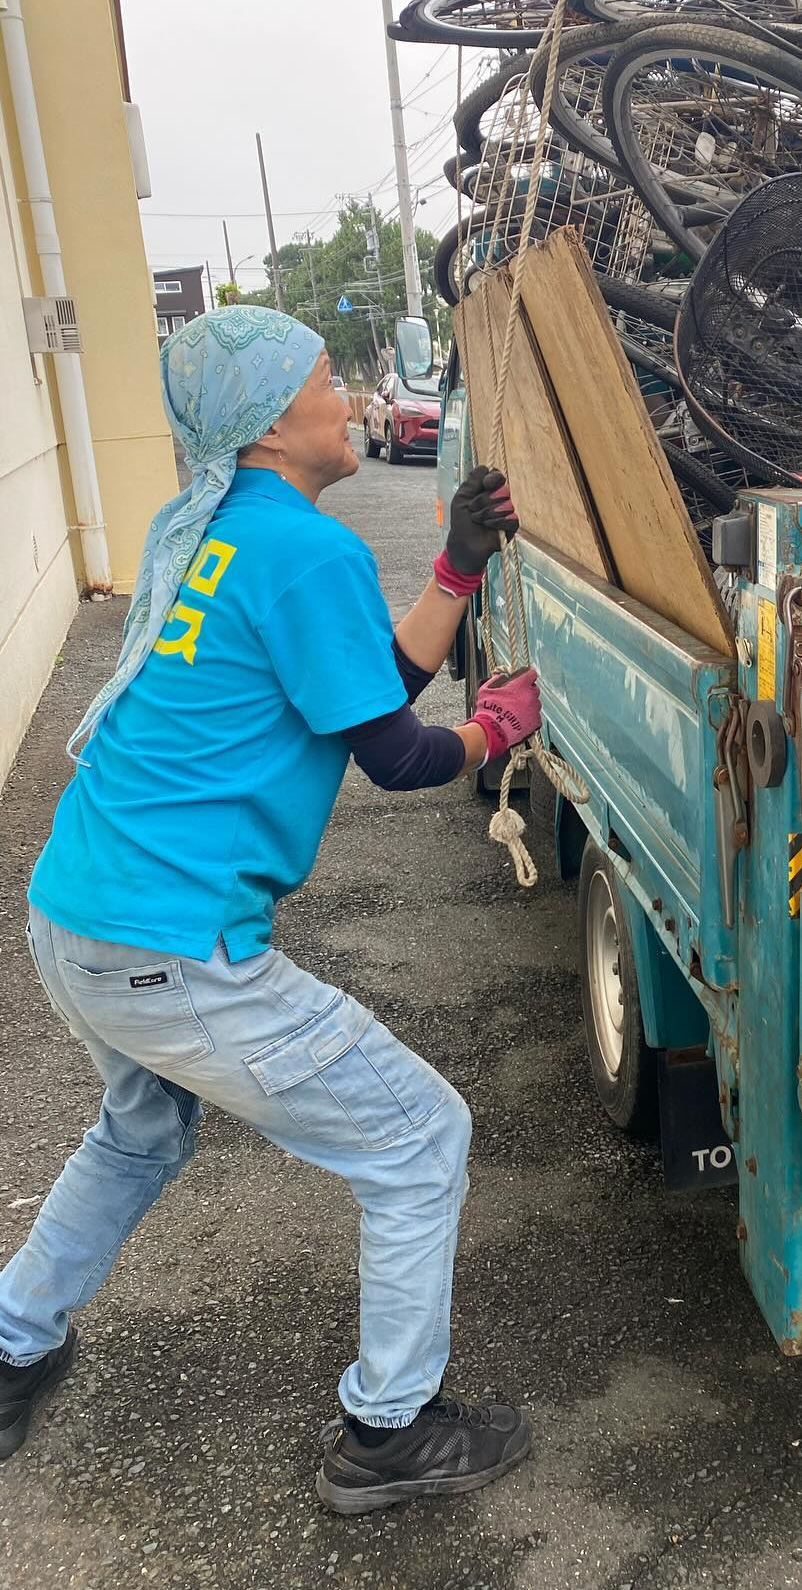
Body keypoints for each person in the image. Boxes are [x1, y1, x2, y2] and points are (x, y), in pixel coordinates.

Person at [0, 307, 540, 1515]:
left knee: (137, 1136)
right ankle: (389, 1434)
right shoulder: (305, 553)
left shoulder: (206, 530)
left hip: (77, 912)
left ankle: (10, 1347)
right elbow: (399, 756)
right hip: (172, 948)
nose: (346, 394)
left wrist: (454, 569)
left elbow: (355, 698)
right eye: (321, 380)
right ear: (268, 423)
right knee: (417, 1141)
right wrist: (504, 720)